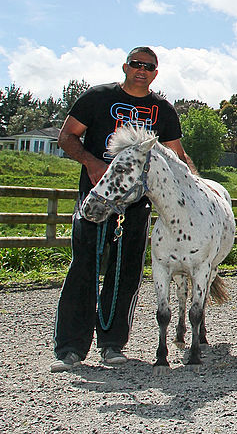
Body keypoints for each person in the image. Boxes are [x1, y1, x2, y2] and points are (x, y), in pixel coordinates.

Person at [51, 47, 194, 372]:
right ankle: (70, 348)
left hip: (137, 204)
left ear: (156, 73)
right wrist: (91, 162)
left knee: (126, 271)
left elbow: (178, 157)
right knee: (84, 266)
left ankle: (112, 344)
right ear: (125, 66)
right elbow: (67, 137)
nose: (141, 70)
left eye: (149, 66)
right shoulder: (97, 97)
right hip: (97, 198)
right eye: (136, 64)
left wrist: (198, 190)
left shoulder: (163, 111)